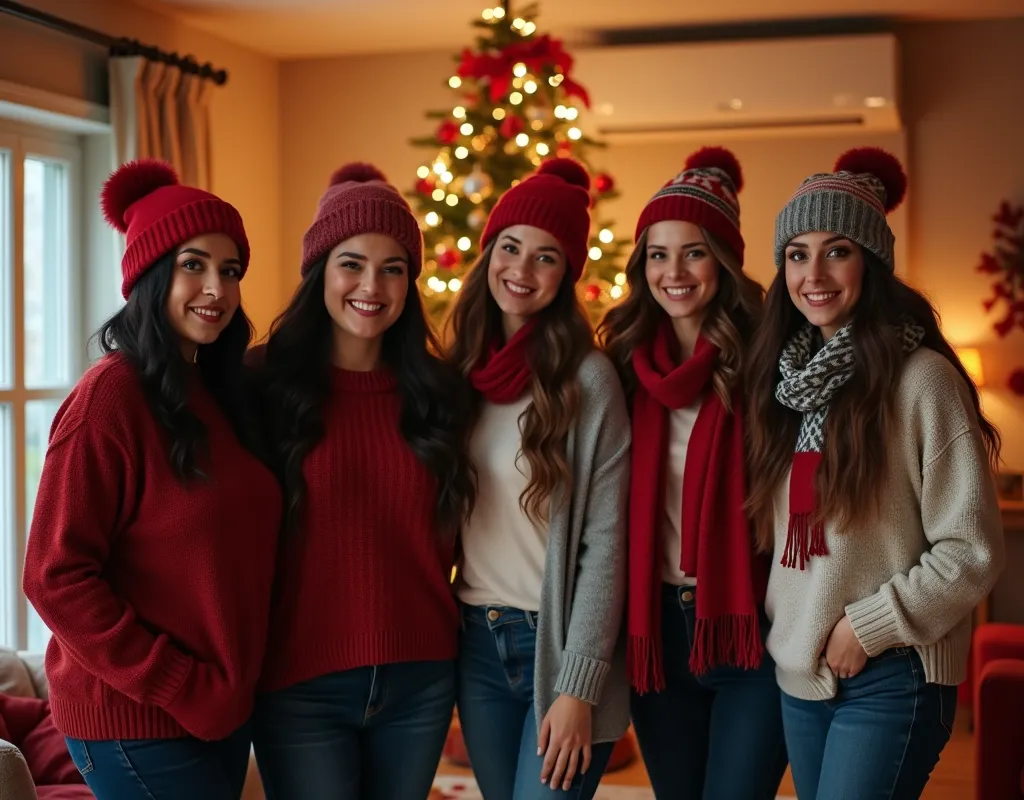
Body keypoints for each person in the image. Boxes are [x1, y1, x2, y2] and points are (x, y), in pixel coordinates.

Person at [746, 147, 1006, 799]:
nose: (815, 273)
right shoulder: (785, 387)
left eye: (837, 250)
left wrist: (869, 625)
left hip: (894, 669)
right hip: (801, 672)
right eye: (797, 253)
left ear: (872, 262)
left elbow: (972, 550)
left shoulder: (922, 381)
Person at [22, 159, 281, 800]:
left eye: (230, 270)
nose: (216, 289)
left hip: (222, 711)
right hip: (136, 718)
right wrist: (179, 685)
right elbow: (53, 576)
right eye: (194, 265)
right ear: (149, 273)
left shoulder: (221, 392)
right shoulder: (110, 398)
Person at [249, 163, 475, 800]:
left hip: (421, 679)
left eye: (393, 267)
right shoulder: (260, 386)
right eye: (352, 263)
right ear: (320, 271)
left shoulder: (440, 394)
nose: (371, 285)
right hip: (298, 683)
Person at [598, 146, 787, 800]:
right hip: (656, 635)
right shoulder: (621, 368)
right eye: (657, 253)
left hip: (750, 633)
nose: (673, 271)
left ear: (724, 262)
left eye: (694, 252)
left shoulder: (768, 364)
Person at [446, 158, 631, 800]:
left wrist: (578, 686)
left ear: (568, 273)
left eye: (546, 257)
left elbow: (606, 546)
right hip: (475, 640)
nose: (521, 271)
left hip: (552, 643)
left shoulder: (588, 380)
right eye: (510, 247)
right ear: (488, 251)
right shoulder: (458, 372)